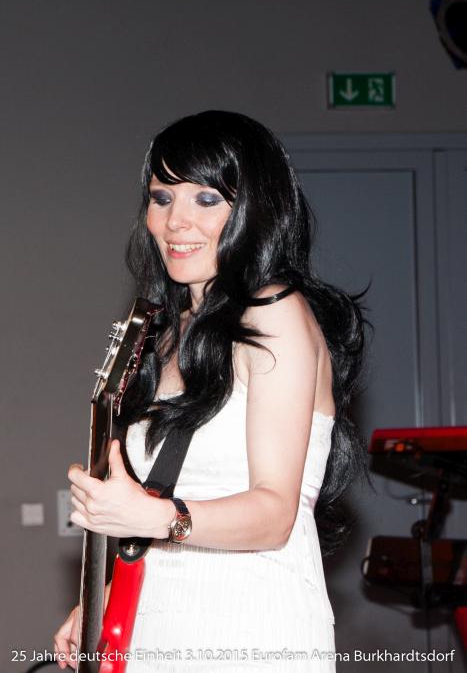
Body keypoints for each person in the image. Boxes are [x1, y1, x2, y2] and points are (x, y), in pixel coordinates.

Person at [54, 110, 369, 671]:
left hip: (249, 623)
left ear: (254, 209)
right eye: (161, 197)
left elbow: (274, 514)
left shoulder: (274, 312)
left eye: (206, 199)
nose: (176, 221)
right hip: (160, 620)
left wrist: (153, 518)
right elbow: (163, 498)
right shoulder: (171, 331)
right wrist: (103, 599)